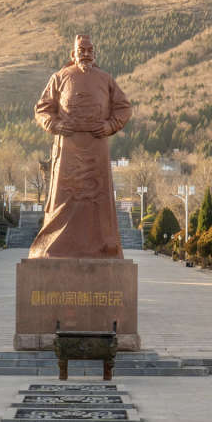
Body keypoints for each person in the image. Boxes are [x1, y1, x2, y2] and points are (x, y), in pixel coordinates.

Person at [29, 34, 132, 259]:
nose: (85, 54)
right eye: (81, 50)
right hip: (68, 147)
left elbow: (124, 108)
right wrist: (55, 124)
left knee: (99, 197)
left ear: (94, 54)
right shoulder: (59, 78)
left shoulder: (105, 79)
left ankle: (105, 247)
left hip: (97, 147)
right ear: (73, 54)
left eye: (89, 50)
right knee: (64, 196)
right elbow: (42, 109)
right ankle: (53, 248)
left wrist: (110, 126)